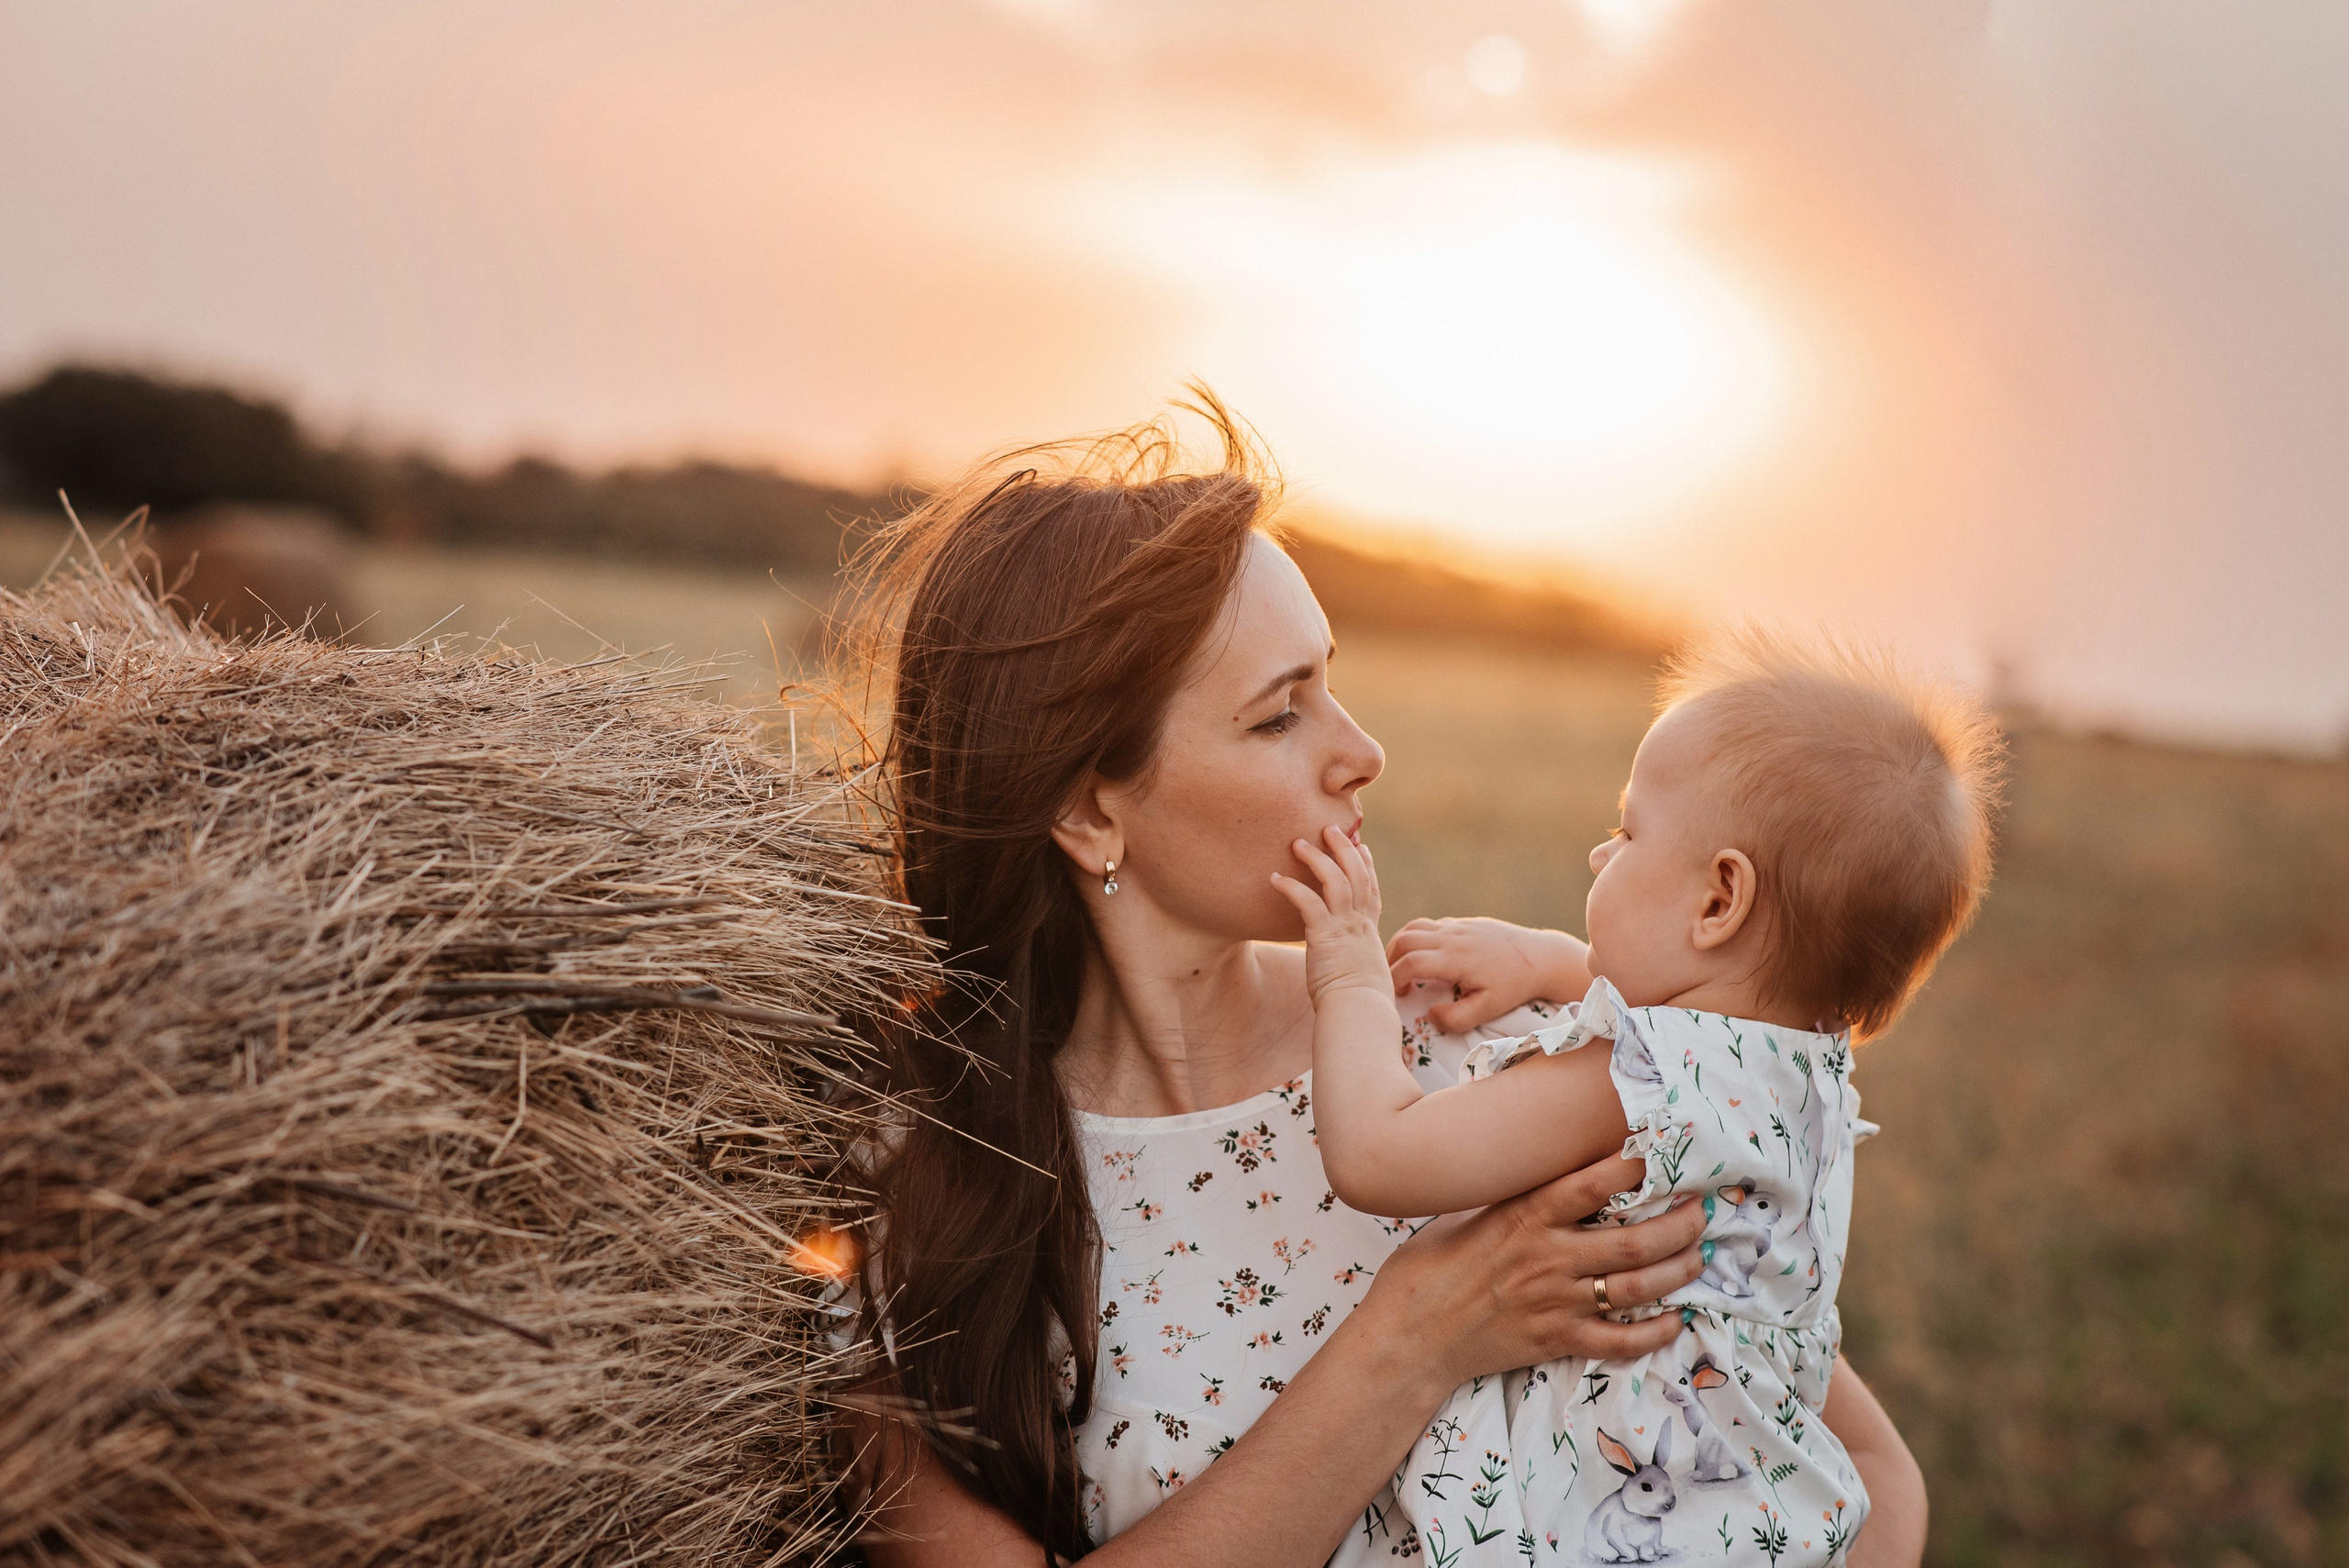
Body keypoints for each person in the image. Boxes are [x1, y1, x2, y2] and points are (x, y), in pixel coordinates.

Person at [841, 399, 1926, 1567]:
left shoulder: (1490, 1049)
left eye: (1332, 682)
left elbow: (1855, 1470)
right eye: (1278, 715)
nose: (1363, 752)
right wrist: (1411, 1338)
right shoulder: (928, 1199)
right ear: (1088, 810)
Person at [1270, 628, 1998, 1564]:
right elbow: (1697, 1017)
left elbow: (1379, 1152)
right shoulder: (1802, 1074)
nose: (1595, 854)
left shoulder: (1621, 1085)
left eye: (1628, 832)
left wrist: (1346, 967)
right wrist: (1547, 957)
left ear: (1717, 901)